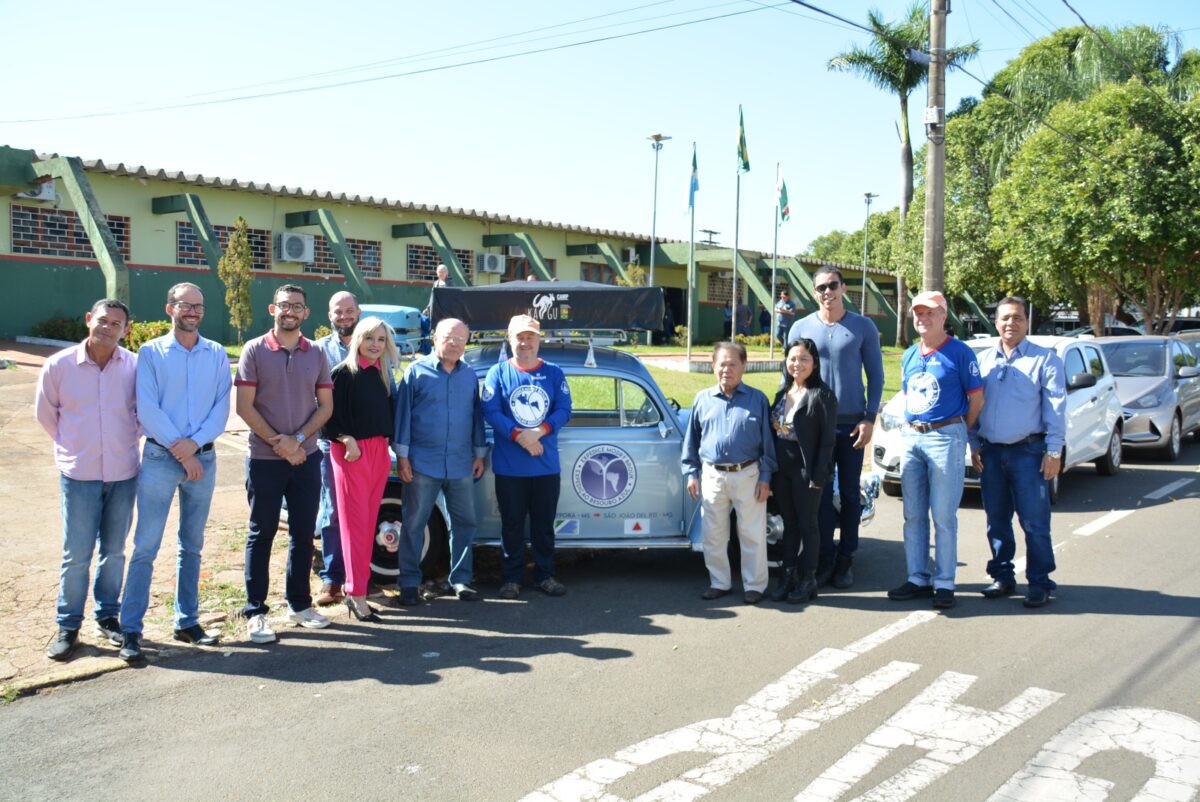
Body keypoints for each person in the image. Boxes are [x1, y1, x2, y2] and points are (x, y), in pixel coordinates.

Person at [118, 283, 231, 662]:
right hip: (161, 460)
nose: (193, 311)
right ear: (170, 309)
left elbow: (220, 410)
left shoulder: (215, 353)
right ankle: (131, 630)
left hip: (204, 459)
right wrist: (183, 452)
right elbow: (146, 409)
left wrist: (194, 446)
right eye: (186, 305)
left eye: (199, 306)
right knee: (145, 547)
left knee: (192, 546)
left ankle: (187, 621)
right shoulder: (149, 353)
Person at [36, 299, 139, 661]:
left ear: (126, 330)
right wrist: (74, 448)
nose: (107, 327)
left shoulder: (134, 367)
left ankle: (108, 616)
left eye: (116, 323)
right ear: (88, 320)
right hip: (79, 475)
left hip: (123, 473)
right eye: (102, 320)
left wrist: (121, 443)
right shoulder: (59, 366)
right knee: (77, 555)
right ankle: (68, 626)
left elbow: (143, 413)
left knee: (114, 552)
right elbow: (46, 415)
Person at [236, 284, 334, 644]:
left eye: (297, 305)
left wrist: (297, 441)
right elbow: (245, 407)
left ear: (306, 313)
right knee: (261, 534)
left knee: (304, 534)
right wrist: (282, 444)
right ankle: (256, 612)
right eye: (284, 305)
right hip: (265, 459)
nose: (290, 311)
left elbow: (325, 406)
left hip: (306, 458)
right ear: (272, 308)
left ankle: (300, 604)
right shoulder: (255, 350)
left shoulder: (317, 353)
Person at [787, 266, 884, 589]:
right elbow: (791, 375)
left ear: (843, 288)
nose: (827, 292)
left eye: (832, 285)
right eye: (820, 288)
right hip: (814, 427)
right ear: (814, 292)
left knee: (851, 496)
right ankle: (824, 558)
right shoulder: (801, 327)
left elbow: (877, 375)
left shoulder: (862, 327)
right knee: (821, 495)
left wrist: (870, 418)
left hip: (851, 425)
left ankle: (846, 559)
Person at [888, 290, 984, 610]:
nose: (922, 318)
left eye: (929, 313)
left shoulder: (960, 352)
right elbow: (908, 394)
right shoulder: (910, 355)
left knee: (943, 515)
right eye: (918, 313)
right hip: (913, 437)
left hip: (946, 436)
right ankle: (918, 577)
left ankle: (944, 582)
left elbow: (976, 399)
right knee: (913, 513)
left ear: (944, 315)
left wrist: (959, 430)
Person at [970, 297, 1066, 609]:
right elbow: (972, 407)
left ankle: (1039, 582)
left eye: (1018, 317)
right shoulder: (983, 361)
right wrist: (973, 446)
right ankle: (1002, 575)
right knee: (996, 520)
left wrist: (1054, 450)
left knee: (1034, 522)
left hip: (1029, 452)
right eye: (1005, 318)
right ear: (995, 322)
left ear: (1027, 321)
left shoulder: (1045, 360)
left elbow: (1055, 408)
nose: (1011, 323)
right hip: (991, 453)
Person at [394, 317, 487, 604]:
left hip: (460, 462)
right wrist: (403, 457)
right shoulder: (416, 372)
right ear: (435, 338)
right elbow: (403, 417)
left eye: (462, 339)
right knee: (413, 523)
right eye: (450, 338)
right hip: (423, 463)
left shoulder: (469, 375)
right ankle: (409, 583)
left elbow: (475, 417)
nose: (456, 344)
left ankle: (461, 580)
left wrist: (479, 453)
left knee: (464, 522)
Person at [481, 314, 572, 599]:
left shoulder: (554, 373)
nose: (525, 342)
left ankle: (545, 575)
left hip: (545, 466)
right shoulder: (498, 373)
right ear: (509, 339)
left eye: (530, 337)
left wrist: (540, 431)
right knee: (512, 525)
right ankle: (512, 578)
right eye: (519, 337)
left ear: (538, 340)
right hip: (510, 468)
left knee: (544, 526)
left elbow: (564, 409)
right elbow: (491, 411)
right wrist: (520, 436)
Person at [682, 342, 777, 604]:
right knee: (714, 535)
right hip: (712, 475)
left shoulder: (758, 399)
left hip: (748, 474)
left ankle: (755, 586)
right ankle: (719, 583)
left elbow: (768, 443)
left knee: (751, 533)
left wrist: (766, 477)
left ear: (744, 366)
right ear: (713, 366)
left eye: (733, 364)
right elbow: (691, 440)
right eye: (721, 363)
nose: (727, 369)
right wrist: (691, 473)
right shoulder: (702, 399)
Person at [323, 316, 399, 622]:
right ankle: (355, 593)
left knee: (368, 524)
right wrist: (345, 437)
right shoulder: (342, 374)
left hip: (379, 451)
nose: (375, 345)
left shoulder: (381, 373)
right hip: (351, 453)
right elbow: (327, 416)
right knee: (354, 526)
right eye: (370, 338)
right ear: (358, 339)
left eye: (381, 340)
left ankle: (361, 589)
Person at [768, 339, 837, 605]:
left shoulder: (822, 395)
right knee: (790, 525)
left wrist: (819, 476)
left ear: (815, 363)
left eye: (804, 359)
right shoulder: (782, 391)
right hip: (782, 468)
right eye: (793, 358)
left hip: (806, 469)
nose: (797, 364)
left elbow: (827, 441)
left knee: (809, 525)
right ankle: (788, 576)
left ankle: (808, 579)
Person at [313, 291, 360, 606]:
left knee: (363, 511)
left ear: (359, 312)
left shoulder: (373, 344)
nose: (344, 316)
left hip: (368, 445)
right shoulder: (318, 352)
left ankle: (359, 578)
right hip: (330, 443)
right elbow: (311, 399)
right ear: (329, 315)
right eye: (337, 311)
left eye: (349, 311)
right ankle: (332, 579)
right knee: (332, 511)